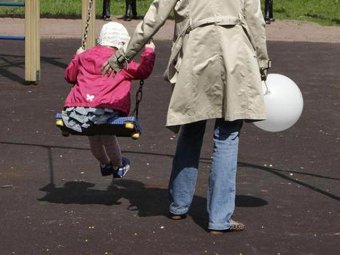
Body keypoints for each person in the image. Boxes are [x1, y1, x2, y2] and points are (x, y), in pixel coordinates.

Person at [102, 0, 270, 234]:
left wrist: (123, 55)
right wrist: (262, 62)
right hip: (236, 53)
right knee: (228, 134)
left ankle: (178, 205)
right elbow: (255, 19)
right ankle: (220, 218)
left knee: (191, 127)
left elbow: (155, 16)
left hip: (196, 52)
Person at [62, 22, 155, 179]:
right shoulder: (120, 62)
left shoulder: (84, 56)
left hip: (76, 111)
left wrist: (77, 56)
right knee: (106, 132)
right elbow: (143, 71)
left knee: (93, 134)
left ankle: (105, 163)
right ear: (122, 45)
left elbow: (70, 76)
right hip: (106, 112)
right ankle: (119, 165)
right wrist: (149, 51)